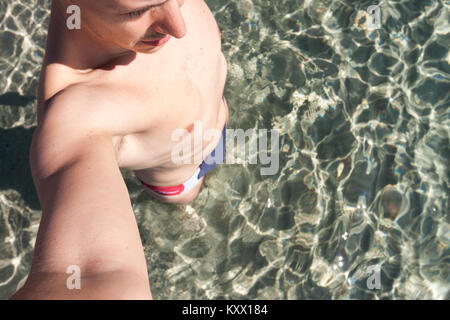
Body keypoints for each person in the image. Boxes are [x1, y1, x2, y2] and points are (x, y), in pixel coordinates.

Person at [10, 0, 229, 299]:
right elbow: (92, 276)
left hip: (217, 120)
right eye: (136, 12)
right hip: (183, 179)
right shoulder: (79, 115)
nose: (179, 28)